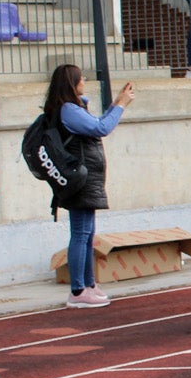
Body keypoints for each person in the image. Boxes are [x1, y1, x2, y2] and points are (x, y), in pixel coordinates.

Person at [42, 64, 135, 309]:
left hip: (85, 178)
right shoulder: (68, 109)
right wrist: (122, 105)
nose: (84, 80)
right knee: (81, 233)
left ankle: (88, 283)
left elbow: (96, 124)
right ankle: (78, 289)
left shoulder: (73, 108)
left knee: (87, 234)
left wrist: (116, 103)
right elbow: (101, 128)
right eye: (80, 77)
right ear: (72, 84)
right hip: (79, 178)